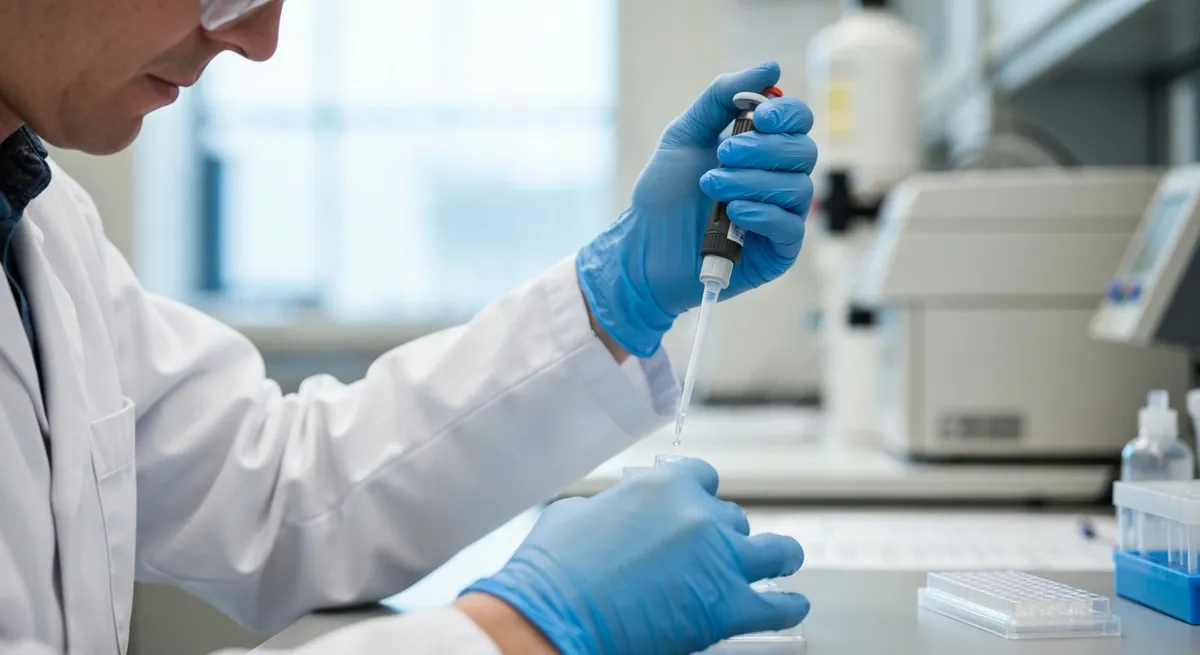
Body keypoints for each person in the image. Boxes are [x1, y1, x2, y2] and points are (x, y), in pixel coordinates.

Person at [0, 1, 818, 653]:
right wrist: (517, 633)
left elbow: (281, 489)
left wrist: (615, 297)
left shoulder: (41, 221)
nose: (259, 37)